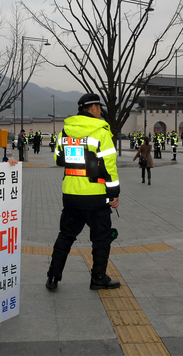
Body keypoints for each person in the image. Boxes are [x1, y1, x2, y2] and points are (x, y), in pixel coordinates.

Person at [46, 93, 121, 291]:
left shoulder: (66, 131)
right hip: (96, 196)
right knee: (101, 238)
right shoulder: (101, 131)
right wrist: (114, 193)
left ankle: (53, 276)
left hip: (70, 195)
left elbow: (58, 159)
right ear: (94, 108)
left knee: (66, 235)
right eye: (99, 108)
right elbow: (110, 166)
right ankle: (98, 278)